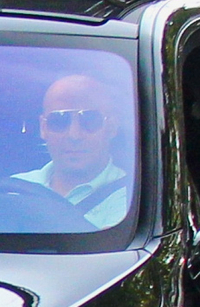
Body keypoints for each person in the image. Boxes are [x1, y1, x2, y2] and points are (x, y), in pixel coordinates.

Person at [12, 73, 132, 225]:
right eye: (59, 121)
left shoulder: (133, 201)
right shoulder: (14, 190)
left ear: (112, 127)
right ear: (43, 128)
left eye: (89, 120)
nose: (74, 135)